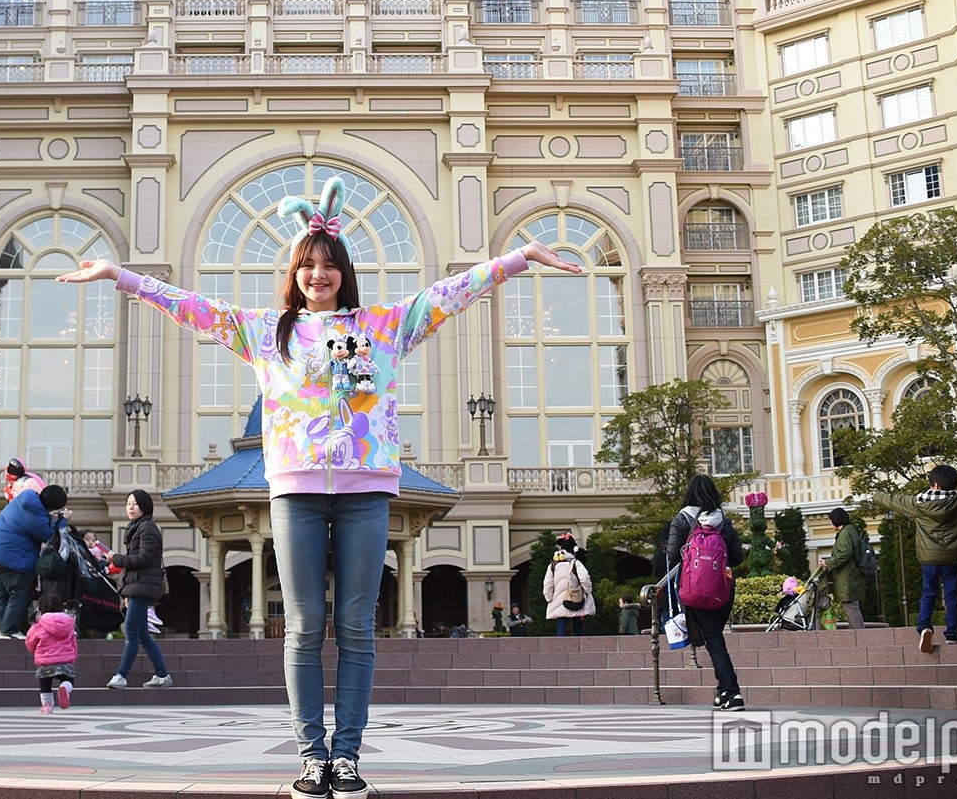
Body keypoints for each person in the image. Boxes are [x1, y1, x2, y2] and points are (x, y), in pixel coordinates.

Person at [58, 172, 580, 798]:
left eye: (329, 264)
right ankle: (311, 756)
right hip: (295, 491)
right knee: (305, 626)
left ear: (345, 272)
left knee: (357, 626)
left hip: (366, 490)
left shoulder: (383, 326)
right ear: (295, 273)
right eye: (308, 264)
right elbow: (192, 307)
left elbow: (448, 293)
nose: (318, 274)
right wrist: (121, 276)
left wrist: (517, 259)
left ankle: (349, 756)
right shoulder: (268, 332)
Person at [874, 464, 957, 653]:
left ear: (935, 484)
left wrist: (876, 495)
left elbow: (894, 500)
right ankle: (953, 635)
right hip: (952, 558)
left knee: (928, 593)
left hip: (928, 558)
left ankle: (924, 627)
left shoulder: (918, 503)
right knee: (952, 596)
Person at [665, 473, 747, 711]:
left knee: (714, 640)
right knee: (714, 638)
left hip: (695, 589)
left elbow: (671, 556)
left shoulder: (681, 520)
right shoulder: (724, 521)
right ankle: (723, 691)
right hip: (723, 589)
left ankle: (732, 692)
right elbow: (738, 557)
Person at [104, 489, 174, 690]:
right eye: (128, 503)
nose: (130, 507)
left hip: (143, 588)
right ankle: (162, 675)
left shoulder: (147, 528)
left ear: (144, 506)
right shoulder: (137, 527)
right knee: (142, 635)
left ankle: (121, 675)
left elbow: (144, 558)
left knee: (131, 632)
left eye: (135, 503)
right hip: (138, 587)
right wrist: (126, 590)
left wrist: (117, 559)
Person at [0, 483, 71, 639]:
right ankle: (8, 630)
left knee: (2, 595)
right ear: (53, 506)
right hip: (8, 556)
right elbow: (46, 534)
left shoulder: (27, 498)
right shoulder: (37, 516)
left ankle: (4, 632)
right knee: (20, 591)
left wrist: (49, 517)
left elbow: (33, 521)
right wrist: (62, 520)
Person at [25, 586, 78, 714]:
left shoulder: (38, 625)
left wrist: (34, 651)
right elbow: (73, 642)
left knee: (45, 683)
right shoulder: (69, 623)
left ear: (40, 609)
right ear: (61, 607)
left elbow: (30, 642)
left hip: (45, 662)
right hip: (65, 661)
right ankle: (65, 687)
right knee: (68, 679)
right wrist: (74, 656)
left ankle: (47, 706)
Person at [822, 507, 867, 630]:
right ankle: (857, 635)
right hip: (851, 575)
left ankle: (861, 636)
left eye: (831, 520)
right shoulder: (850, 531)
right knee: (851, 606)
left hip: (847, 577)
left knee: (850, 606)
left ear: (836, 520)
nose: (830, 524)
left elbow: (844, 553)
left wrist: (828, 563)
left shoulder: (845, 533)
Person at [542, 533, 593, 636]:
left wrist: (549, 598)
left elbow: (548, 584)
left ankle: (560, 648)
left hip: (559, 599)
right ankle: (579, 649)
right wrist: (588, 590)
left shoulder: (553, 565)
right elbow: (584, 578)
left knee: (561, 622)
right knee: (578, 623)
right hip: (575, 597)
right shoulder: (575, 563)